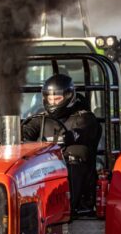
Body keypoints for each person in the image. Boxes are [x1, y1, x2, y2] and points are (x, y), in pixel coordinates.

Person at [22, 74, 100, 214]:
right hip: (44, 171)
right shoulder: (42, 118)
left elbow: (84, 130)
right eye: (50, 99)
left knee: (76, 152)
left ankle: (69, 207)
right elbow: (27, 130)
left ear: (69, 97)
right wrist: (16, 136)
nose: (53, 103)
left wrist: (70, 136)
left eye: (57, 99)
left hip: (75, 178)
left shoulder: (84, 117)